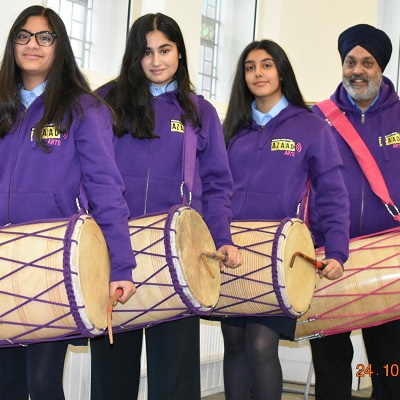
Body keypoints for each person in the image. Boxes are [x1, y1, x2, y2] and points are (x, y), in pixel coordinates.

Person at [90, 12, 242, 400]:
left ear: (179, 53)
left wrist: (221, 236)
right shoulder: (104, 102)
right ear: (133, 56)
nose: (156, 61)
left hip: (177, 257)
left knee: (174, 380)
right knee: (112, 375)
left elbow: (217, 184)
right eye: (146, 52)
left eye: (165, 50)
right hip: (113, 250)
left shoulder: (199, 111)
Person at [0, 5, 136, 400]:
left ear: (59, 47)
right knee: (5, 384)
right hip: (3, 259)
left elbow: (107, 190)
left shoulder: (85, 109)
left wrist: (121, 265)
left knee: (41, 383)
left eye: (45, 37)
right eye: (24, 36)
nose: (33, 45)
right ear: (13, 44)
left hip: (51, 265)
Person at [221, 39, 350, 400]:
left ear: (281, 72)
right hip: (231, 252)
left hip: (279, 256)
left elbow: (333, 193)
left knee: (261, 344)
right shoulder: (232, 127)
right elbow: (214, 189)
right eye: (249, 67)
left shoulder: (310, 126)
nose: (257, 73)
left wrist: (337, 250)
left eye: (266, 65)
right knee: (234, 345)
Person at [309, 24, 400, 400]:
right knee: (331, 365)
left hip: (389, 260)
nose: (357, 70)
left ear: (382, 68)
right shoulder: (316, 119)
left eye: (367, 62)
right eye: (350, 62)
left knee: (389, 365)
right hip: (329, 256)